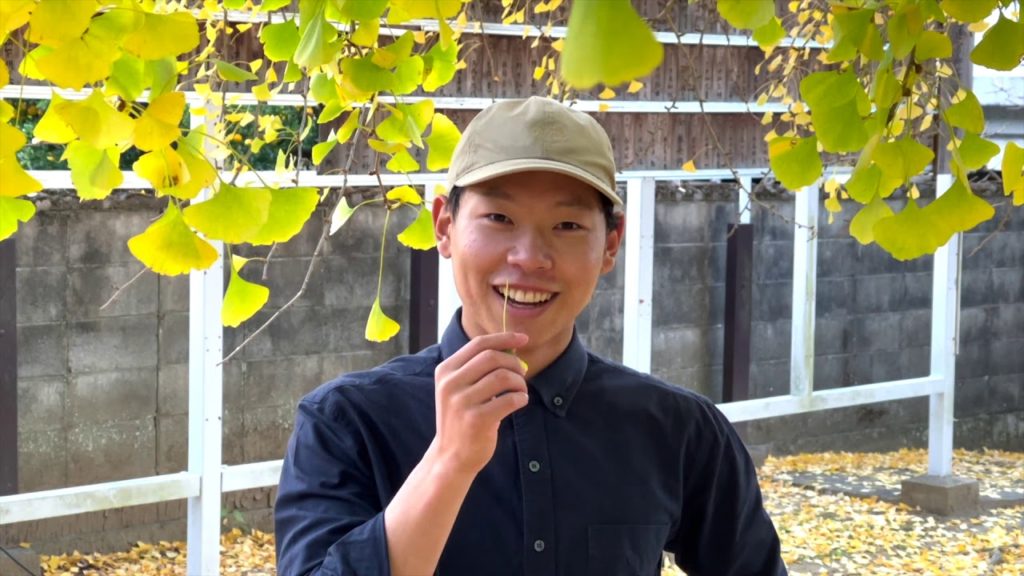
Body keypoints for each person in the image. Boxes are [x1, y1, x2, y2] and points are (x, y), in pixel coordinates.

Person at [275, 96, 787, 576]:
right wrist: (449, 462)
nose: (529, 258)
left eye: (566, 225)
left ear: (610, 245)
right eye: (499, 218)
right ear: (444, 226)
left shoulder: (678, 430)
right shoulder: (346, 422)